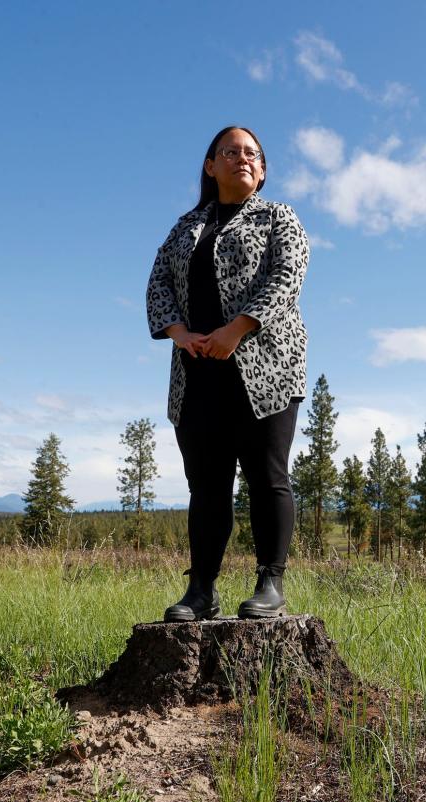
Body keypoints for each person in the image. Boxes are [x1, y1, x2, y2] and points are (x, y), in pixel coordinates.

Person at [146, 125, 310, 621]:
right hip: (197, 373)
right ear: (210, 165)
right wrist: (180, 334)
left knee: (267, 476)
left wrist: (235, 330)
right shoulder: (184, 228)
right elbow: (158, 286)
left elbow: (288, 275)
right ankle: (201, 591)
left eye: (253, 154)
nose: (243, 158)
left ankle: (270, 583)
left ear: (261, 171)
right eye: (231, 152)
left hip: (266, 370)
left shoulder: (279, 217)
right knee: (208, 485)